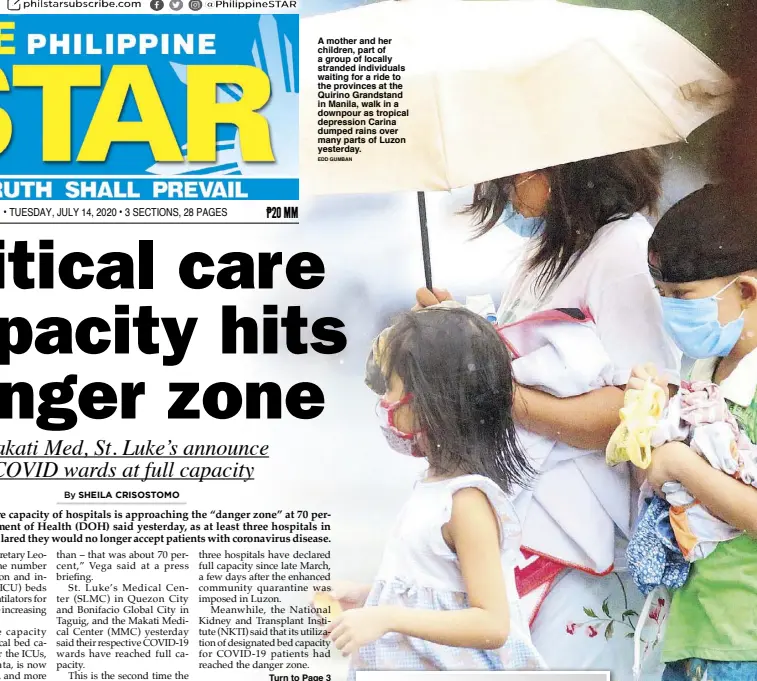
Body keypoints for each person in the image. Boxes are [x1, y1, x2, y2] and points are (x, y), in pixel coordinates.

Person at [415, 149, 681, 679]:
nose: (506, 190)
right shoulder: (549, 251)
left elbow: (637, 412)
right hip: (526, 535)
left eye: (512, 171)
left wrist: (489, 388)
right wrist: (455, 339)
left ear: (557, 167)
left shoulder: (623, 249)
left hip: (587, 553)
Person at [325, 307, 545, 675]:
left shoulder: (467, 502)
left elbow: (492, 625)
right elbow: (437, 594)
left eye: (392, 389)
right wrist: (369, 600)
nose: (386, 404)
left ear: (432, 401)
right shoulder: (432, 489)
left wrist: (388, 617)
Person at [628, 183, 757, 681]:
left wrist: (682, 463)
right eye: (663, 295)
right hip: (692, 635)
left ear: (745, 291)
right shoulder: (702, 367)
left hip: (743, 644)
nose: (670, 309)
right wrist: (653, 414)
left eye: (683, 295)